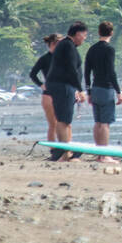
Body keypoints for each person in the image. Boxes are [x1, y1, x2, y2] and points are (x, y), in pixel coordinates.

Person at [46, 21, 89, 158]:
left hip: (61, 85)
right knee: (64, 120)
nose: (85, 38)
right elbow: (71, 70)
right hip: (62, 86)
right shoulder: (67, 45)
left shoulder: (67, 45)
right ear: (77, 34)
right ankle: (65, 154)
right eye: (84, 35)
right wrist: (80, 89)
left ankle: (65, 152)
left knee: (63, 119)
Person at [84, 21, 122, 150]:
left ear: (99, 32)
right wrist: (118, 91)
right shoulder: (109, 49)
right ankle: (104, 153)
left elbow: (87, 71)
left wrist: (88, 91)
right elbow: (111, 72)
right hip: (106, 89)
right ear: (111, 33)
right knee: (105, 123)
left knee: (98, 122)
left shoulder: (92, 49)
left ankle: (98, 151)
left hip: (95, 88)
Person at [30, 34, 61, 141]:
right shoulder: (44, 58)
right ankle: (53, 150)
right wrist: (41, 85)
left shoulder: (64, 57)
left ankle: (64, 148)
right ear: (53, 44)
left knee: (63, 123)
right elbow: (32, 74)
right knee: (53, 124)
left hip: (62, 92)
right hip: (48, 94)